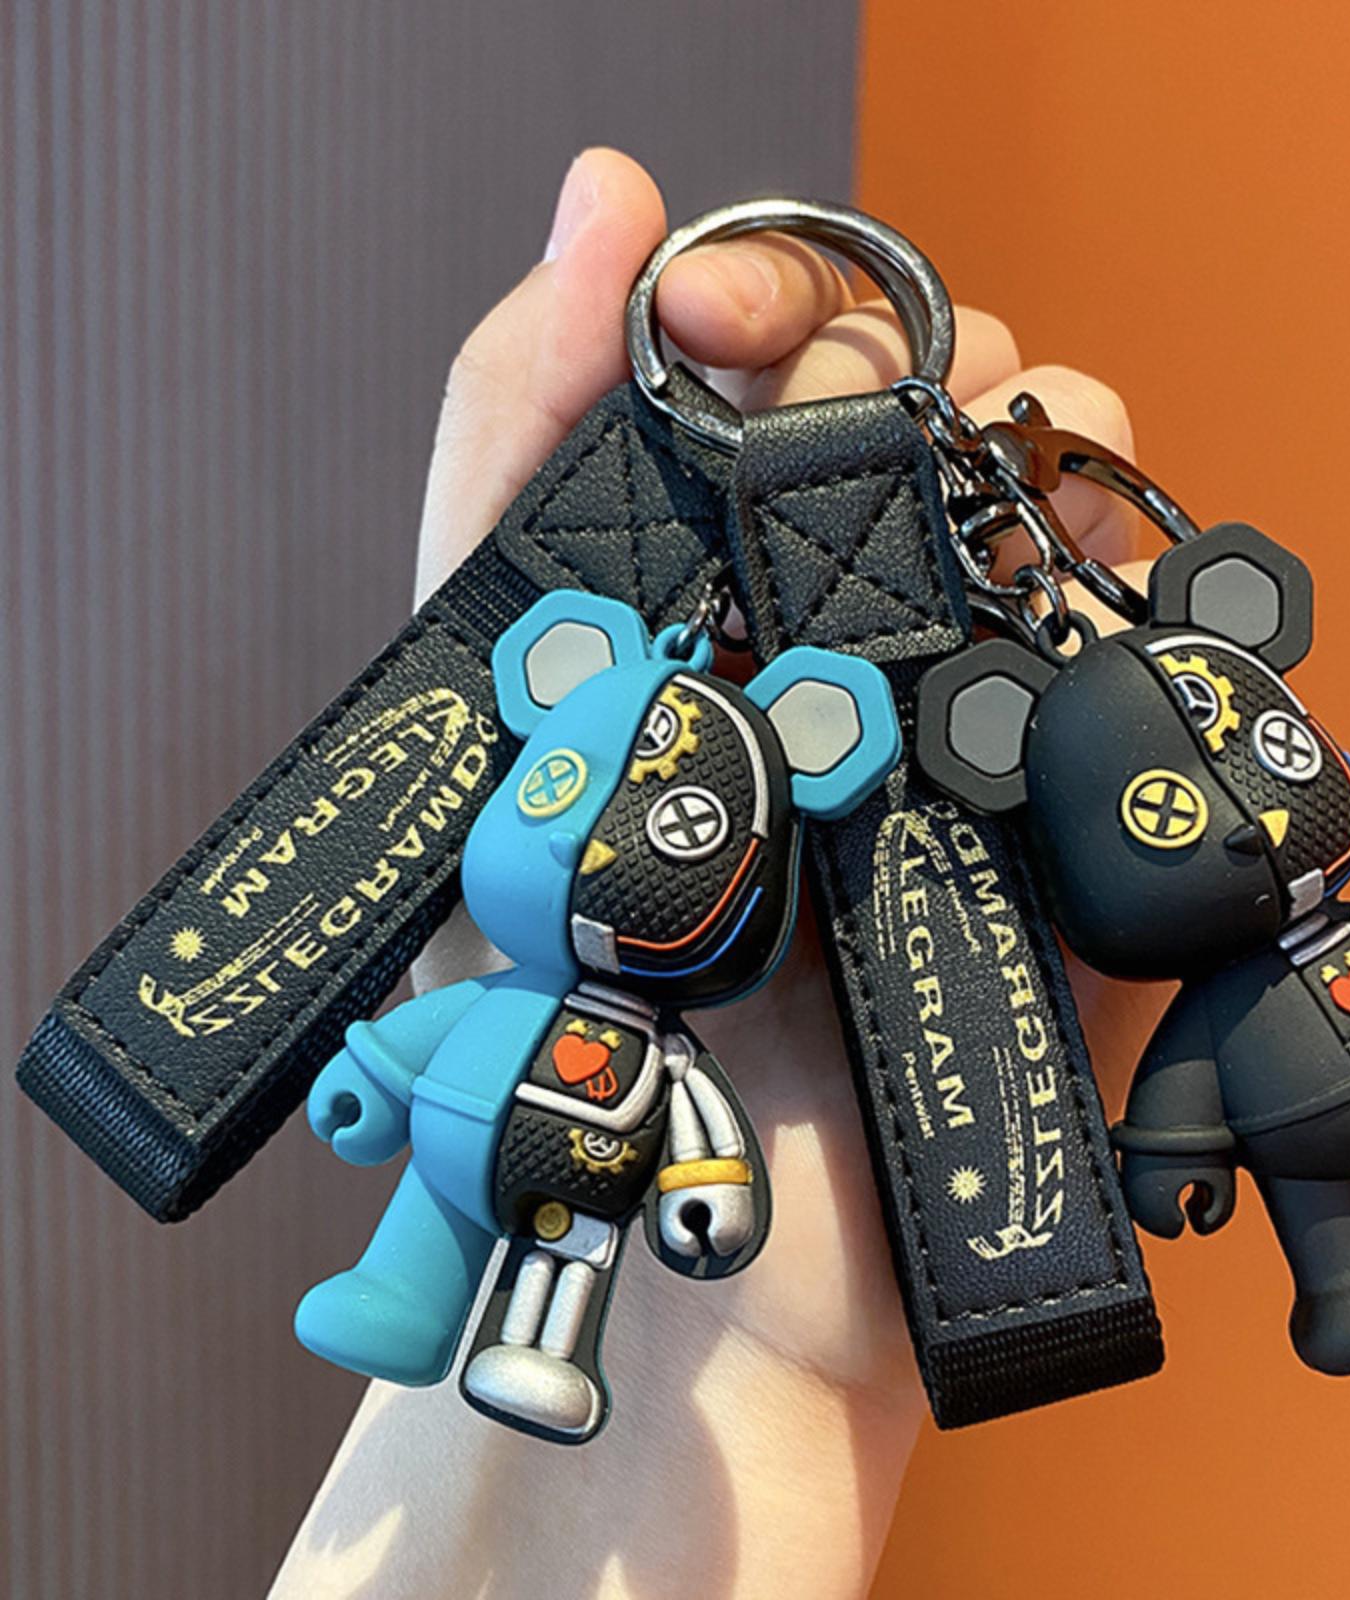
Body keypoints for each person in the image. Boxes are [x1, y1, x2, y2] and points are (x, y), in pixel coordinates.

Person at [270, 146, 1156, 1600]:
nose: (606, 844)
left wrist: (744, 1291)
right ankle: (411, 1299)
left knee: (562, 1271)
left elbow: (697, 1123)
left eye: (680, 832)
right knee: (440, 1223)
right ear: (550, 682)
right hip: (507, 1139)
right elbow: (434, 1048)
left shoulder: (679, 1031)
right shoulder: (522, 961)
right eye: (559, 789)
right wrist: (378, 1067)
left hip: (605, 1191)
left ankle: (544, 1346)